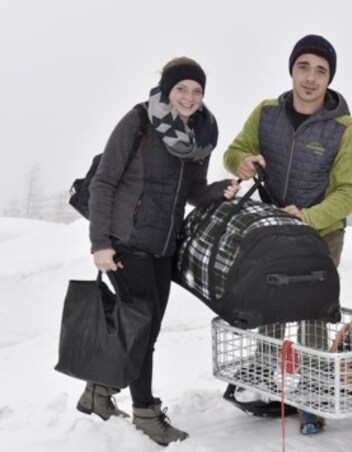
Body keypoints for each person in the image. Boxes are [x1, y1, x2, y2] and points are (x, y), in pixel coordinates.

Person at [82, 57, 239, 445]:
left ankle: (98, 392)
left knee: (143, 331)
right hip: (127, 242)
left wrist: (219, 190)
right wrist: (100, 244)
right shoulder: (138, 122)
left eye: (197, 90)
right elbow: (103, 184)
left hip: (164, 246)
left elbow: (191, 194)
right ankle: (146, 412)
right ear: (168, 90)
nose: (189, 97)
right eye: (182, 89)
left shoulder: (202, 136)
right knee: (142, 331)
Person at [223, 34, 352, 434]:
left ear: (329, 79)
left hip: (321, 234)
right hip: (271, 232)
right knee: (270, 304)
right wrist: (244, 160)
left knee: (311, 313)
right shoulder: (266, 112)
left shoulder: (344, 128)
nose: (310, 77)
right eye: (304, 66)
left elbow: (351, 191)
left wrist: (308, 216)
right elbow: (234, 151)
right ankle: (267, 380)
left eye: (321, 70)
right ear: (291, 69)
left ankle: (314, 395)